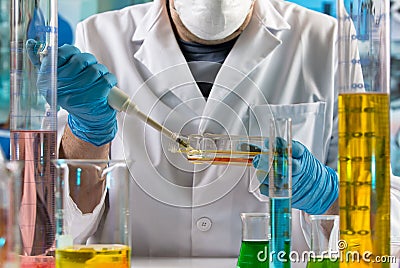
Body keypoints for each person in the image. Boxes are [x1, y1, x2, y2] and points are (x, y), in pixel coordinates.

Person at [35, 0, 400, 266]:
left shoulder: (328, 39)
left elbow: (384, 227)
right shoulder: (99, 35)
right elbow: (51, 233)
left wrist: (332, 196)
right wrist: (88, 134)